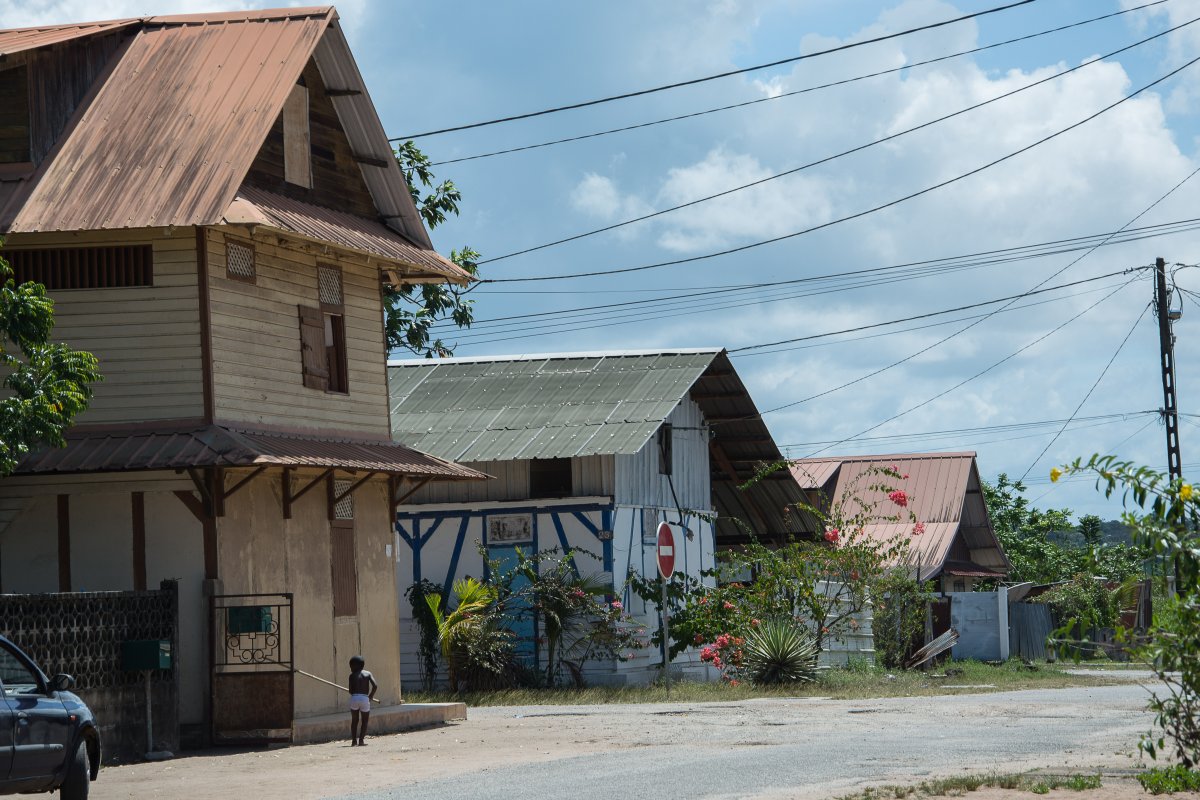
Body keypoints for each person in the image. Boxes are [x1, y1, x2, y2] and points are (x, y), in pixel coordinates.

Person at [347, 655, 378, 746]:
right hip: (365, 698)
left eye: (351, 666)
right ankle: (361, 741)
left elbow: (350, 691)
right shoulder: (368, 674)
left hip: (354, 698)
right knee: (365, 721)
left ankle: (353, 741)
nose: (351, 668)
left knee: (354, 720)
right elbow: (375, 686)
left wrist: (355, 692)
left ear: (357, 666)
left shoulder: (351, 676)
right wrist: (371, 696)